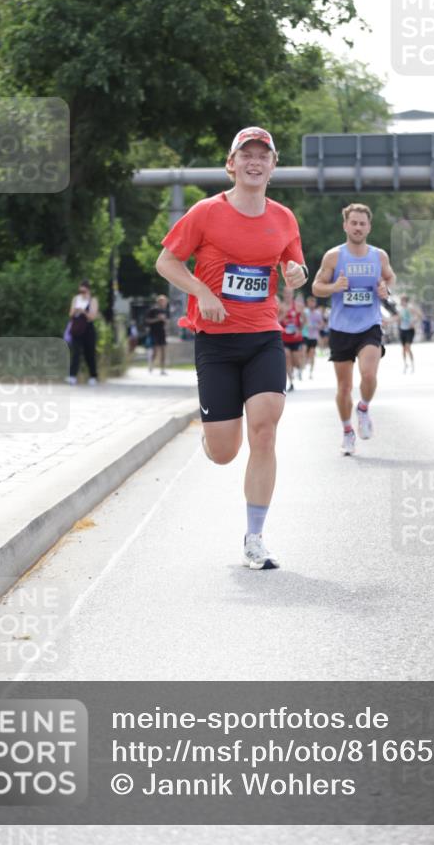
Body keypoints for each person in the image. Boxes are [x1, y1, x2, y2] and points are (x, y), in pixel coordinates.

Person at [156, 126, 307, 569]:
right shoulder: (205, 212)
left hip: (263, 336)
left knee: (265, 430)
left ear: (273, 166)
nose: (255, 162)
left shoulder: (284, 217)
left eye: (264, 155)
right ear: (232, 164)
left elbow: (293, 263)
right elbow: (166, 261)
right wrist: (203, 292)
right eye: (247, 155)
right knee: (224, 452)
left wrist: (297, 273)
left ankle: (255, 538)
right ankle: (212, 439)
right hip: (216, 342)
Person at [312, 203, 395, 455]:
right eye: (354, 223)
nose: (358, 227)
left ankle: (364, 408)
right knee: (344, 387)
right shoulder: (334, 256)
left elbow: (390, 277)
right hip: (340, 327)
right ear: (345, 225)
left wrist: (385, 289)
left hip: (369, 324)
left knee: (368, 375)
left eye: (362, 223)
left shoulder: (378, 256)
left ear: (369, 227)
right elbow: (317, 286)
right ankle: (347, 431)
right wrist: (334, 286)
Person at [66, 279, 99, 385]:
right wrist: (75, 310)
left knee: (89, 353)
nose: (82, 294)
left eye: (84, 292)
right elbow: (70, 314)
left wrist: (83, 311)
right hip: (77, 329)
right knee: (76, 352)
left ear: (88, 291)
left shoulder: (93, 300)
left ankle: (93, 376)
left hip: (88, 329)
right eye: (80, 291)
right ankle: (72, 376)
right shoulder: (76, 299)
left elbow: (92, 317)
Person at [279, 287, 304, 390]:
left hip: (295, 338)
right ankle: (291, 382)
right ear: (283, 294)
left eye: (290, 293)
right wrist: (283, 314)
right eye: (286, 293)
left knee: (296, 360)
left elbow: (304, 321)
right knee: (287, 357)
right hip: (284, 337)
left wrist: (299, 329)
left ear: (292, 294)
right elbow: (275, 320)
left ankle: (298, 369)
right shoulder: (280, 306)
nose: (288, 295)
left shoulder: (298, 306)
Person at [145, 294, 169, 374]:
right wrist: (158, 319)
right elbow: (148, 321)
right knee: (155, 351)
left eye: (165, 301)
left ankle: (162, 369)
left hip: (162, 333)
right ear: (158, 301)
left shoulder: (165, 311)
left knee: (163, 351)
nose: (164, 303)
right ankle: (151, 364)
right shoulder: (153, 310)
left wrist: (164, 320)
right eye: (162, 301)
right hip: (154, 332)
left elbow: (166, 322)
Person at [302, 295, 325, 378]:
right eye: (310, 302)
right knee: (304, 351)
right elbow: (300, 321)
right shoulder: (305, 312)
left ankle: (310, 372)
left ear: (315, 303)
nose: (311, 304)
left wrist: (316, 326)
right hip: (305, 334)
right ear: (307, 303)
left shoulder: (318, 313)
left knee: (312, 353)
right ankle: (302, 368)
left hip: (314, 336)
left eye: (313, 302)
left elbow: (322, 324)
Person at [397, 294, 421, 373]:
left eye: (402, 300)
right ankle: (405, 364)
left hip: (410, 330)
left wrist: (413, 322)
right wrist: (399, 324)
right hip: (402, 330)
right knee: (403, 348)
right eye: (401, 300)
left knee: (408, 347)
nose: (401, 302)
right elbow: (398, 319)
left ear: (405, 301)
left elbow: (419, 315)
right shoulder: (399, 309)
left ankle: (412, 363)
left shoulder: (410, 308)